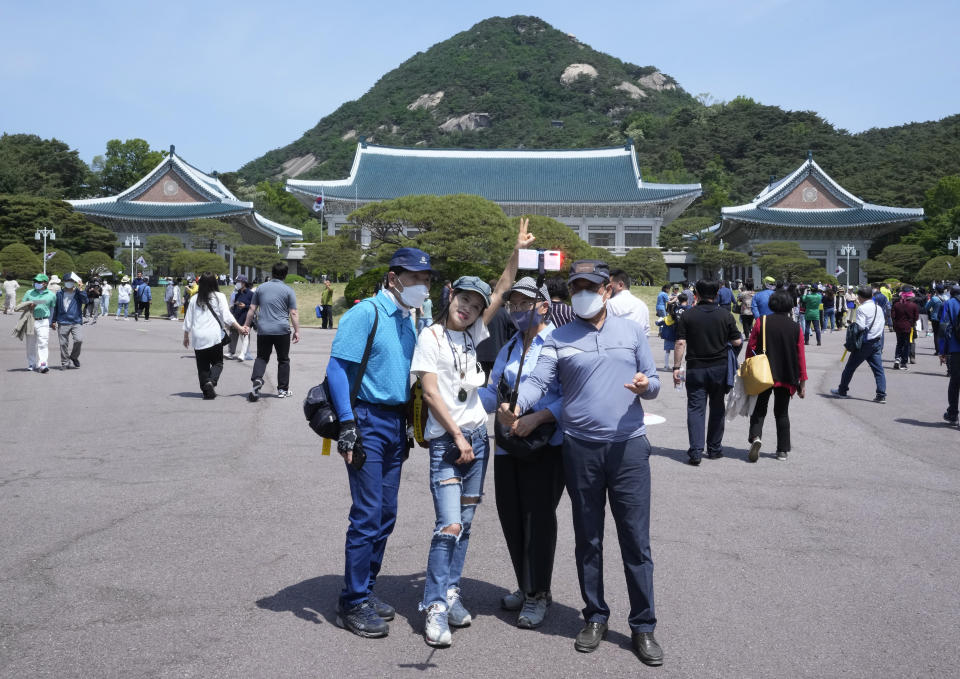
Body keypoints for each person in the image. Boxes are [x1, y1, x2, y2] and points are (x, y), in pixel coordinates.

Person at [503, 258, 663, 666]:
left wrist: (647, 386)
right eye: (576, 288)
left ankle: (643, 625)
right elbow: (540, 379)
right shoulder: (560, 337)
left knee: (635, 540)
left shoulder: (630, 331)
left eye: (590, 287)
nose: (582, 294)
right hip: (580, 449)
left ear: (607, 289)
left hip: (628, 447)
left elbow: (654, 380)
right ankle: (595, 615)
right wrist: (519, 403)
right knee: (588, 537)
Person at [411, 222, 534, 648]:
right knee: (446, 525)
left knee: (463, 525)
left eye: (475, 303)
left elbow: (501, 290)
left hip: (478, 443)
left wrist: (515, 252)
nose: (468, 307)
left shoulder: (475, 334)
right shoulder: (430, 337)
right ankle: (434, 608)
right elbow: (429, 393)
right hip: (450, 444)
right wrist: (460, 438)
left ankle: (450, 592)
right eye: (463, 298)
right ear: (450, 296)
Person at [326, 246, 434, 639]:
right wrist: (348, 425)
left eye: (426, 279)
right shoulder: (366, 313)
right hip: (367, 420)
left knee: (386, 513)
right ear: (393, 278)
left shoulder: (411, 319)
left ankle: (366, 590)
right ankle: (352, 601)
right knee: (368, 513)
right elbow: (337, 370)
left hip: (395, 422)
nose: (422, 285)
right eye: (414, 277)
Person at [477, 277, 563, 630]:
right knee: (511, 514)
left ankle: (539, 593)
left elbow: (570, 394)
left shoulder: (558, 342)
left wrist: (539, 415)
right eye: (513, 305)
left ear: (543, 305)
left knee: (537, 518)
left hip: (545, 443)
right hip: (508, 442)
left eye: (525, 304)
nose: (517, 311)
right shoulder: (510, 346)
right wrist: (457, 402)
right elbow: (490, 391)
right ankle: (525, 584)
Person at [673, 280, 743, 465]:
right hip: (719, 368)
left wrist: (676, 367)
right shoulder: (725, 315)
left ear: (696, 293)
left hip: (696, 368)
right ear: (717, 294)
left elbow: (680, 342)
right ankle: (714, 448)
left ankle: (695, 451)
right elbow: (737, 341)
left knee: (696, 409)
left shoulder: (688, 315)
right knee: (717, 406)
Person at [746, 290, 807, 462]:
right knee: (781, 412)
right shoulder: (795, 327)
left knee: (759, 409)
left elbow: (751, 347)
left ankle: (756, 437)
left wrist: (748, 370)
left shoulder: (761, 322)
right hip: (787, 374)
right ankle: (782, 450)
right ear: (790, 305)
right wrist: (802, 382)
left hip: (762, 373)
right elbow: (800, 356)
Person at [182, 272, 247, 399]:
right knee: (217, 362)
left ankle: (206, 388)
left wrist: (185, 336)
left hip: (198, 335)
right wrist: (239, 328)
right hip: (214, 335)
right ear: (214, 283)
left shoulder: (195, 298)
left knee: (202, 365)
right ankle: (211, 381)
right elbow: (227, 316)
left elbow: (188, 319)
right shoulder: (219, 296)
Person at [242, 262, 300, 400]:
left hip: (264, 330)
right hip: (282, 330)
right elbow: (293, 312)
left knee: (262, 357)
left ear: (272, 273)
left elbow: (252, 309)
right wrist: (297, 330)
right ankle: (282, 390)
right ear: (285, 275)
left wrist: (246, 325)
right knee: (283, 360)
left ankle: (257, 379)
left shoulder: (261, 288)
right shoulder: (288, 290)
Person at [830, 287, 887, 403]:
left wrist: (853, 327)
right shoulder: (878, 308)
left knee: (850, 367)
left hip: (865, 343)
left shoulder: (862, 309)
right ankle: (881, 395)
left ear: (860, 297)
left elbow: (860, 326)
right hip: (876, 342)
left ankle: (842, 391)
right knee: (878, 370)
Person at [18, 273, 56, 372]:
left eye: (39, 282)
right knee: (30, 344)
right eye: (35, 281)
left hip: (43, 321)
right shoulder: (29, 292)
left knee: (43, 342)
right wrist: (28, 306)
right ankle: (31, 363)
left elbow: (52, 308)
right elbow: (21, 306)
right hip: (31, 320)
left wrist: (51, 321)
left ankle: (43, 364)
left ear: (45, 283)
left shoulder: (51, 295)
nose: (36, 283)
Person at [50, 273, 88, 370]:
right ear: (64, 282)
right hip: (63, 321)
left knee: (79, 340)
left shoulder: (78, 293)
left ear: (74, 282)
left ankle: (74, 357)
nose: (69, 283)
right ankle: (65, 362)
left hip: (76, 321)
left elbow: (86, 301)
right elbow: (56, 308)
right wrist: (53, 321)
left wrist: (81, 289)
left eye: (71, 281)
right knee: (63, 344)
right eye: (67, 281)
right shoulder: (59, 294)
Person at [937, 284, 960, 425]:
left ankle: (952, 413)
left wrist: (942, 351)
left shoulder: (949, 303)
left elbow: (944, 327)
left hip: (956, 348)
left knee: (955, 382)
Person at [606, 269, 650, 335]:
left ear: (620, 285)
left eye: (609, 285)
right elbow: (646, 332)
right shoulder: (642, 305)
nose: (606, 287)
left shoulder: (610, 304)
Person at [892, 286, 920, 371]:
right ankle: (903, 363)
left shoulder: (896, 304)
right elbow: (916, 317)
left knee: (899, 343)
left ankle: (897, 359)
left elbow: (893, 316)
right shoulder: (913, 305)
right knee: (906, 344)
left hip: (898, 326)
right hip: (908, 326)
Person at [227, 275, 253, 360]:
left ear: (243, 283)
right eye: (237, 281)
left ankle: (243, 354)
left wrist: (245, 306)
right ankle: (231, 352)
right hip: (236, 317)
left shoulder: (250, 293)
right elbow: (235, 305)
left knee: (245, 335)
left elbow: (254, 306)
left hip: (246, 318)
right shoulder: (237, 294)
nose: (237, 283)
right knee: (233, 334)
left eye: (238, 281)